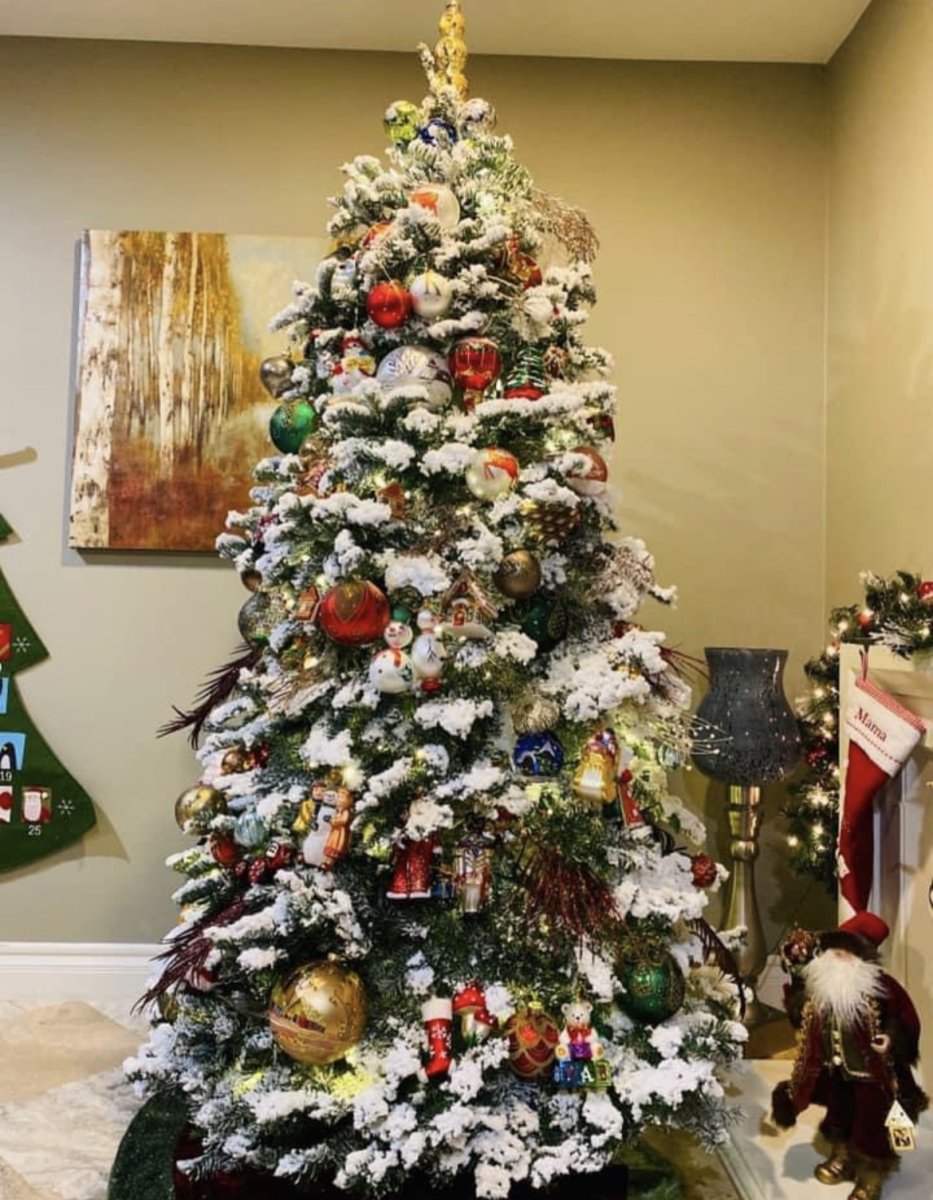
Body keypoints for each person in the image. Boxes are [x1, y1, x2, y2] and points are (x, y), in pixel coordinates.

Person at [771, 912, 928, 1200]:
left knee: (871, 1124)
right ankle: (842, 1157)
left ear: (863, 956)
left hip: (871, 1074)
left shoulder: (882, 988)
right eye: (835, 949)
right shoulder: (819, 985)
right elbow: (801, 1014)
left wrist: (890, 1039)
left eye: (849, 951)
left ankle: (871, 1175)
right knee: (839, 1113)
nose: (839, 956)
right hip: (835, 1069)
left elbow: (905, 1018)